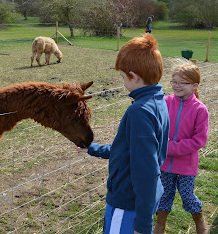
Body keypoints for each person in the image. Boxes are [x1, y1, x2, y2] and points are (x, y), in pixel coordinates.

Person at [82, 33, 169, 234]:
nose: (123, 83)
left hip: (127, 205)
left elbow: (146, 171)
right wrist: (92, 149)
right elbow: (130, 150)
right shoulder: (158, 102)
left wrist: (142, 225)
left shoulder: (139, 112)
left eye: (123, 77)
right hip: (139, 201)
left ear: (134, 76)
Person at [153, 63, 209, 234]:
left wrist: (169, 147)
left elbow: (199, 140)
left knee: (187, 195)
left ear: (195, 85)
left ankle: (198, 218)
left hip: (186, 166)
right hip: (164, 164)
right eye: (174, 81)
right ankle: (160, 225)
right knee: (163, 195)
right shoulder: (164, 102)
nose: (177, 86)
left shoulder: (200, 110)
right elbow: (156, 128)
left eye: (182, 83)